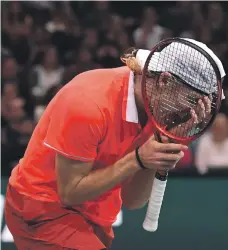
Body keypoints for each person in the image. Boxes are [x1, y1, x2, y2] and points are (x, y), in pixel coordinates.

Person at [5, 38, 224, 250]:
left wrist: (157, 153)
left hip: (94, 217)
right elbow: (69, 192)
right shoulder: (88, 104)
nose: (192, 112)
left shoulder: (160, 111)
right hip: (41, 210)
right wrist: (138, 158)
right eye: (192, 101)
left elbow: (132, 201)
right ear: (164, 81)